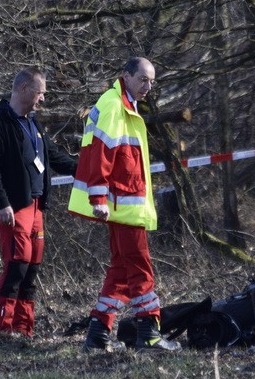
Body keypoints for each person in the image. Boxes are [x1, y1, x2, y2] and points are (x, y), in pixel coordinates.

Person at [68, 57, 180, 353]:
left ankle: (98, 333)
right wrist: (98, 198)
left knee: (120, 270)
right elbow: (101, 153)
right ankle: (150, 332)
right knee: (140, 269)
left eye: (152, 81)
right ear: (126, 76)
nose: (148, 86)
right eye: (143, 79)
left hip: (124, 203)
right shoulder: (114, 105)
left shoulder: (122, 103)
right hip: (121, 204)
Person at [0, 67, 77, 338]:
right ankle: (2, 328)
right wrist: (2, 203)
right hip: (14, 207)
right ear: (24, 89)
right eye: (40, 92)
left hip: (36, 207)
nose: (43, 98)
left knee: (32, 268)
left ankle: (24, 328)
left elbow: (54, 157)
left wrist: (86, 170)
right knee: (16, 265)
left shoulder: (35, 125)